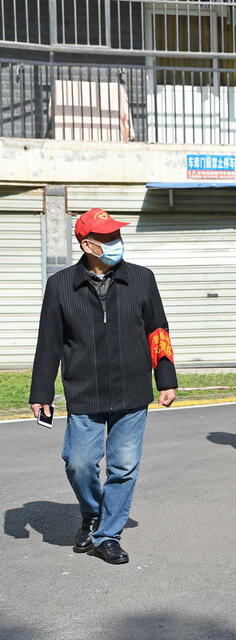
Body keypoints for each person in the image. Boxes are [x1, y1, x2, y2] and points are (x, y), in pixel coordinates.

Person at [29, 208, 178, 565]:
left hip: (132, 389)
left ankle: (108, 534)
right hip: (85, 391)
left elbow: (158, 332)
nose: (116, 243)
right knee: (78, 464)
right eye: (107, 238)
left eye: (117, 235)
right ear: (86, 244)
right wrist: (41, 393)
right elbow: (48, 342)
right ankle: (93, 513)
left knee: (123, 467)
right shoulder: (61, 285)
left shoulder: (142, 279)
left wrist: (166, 378)